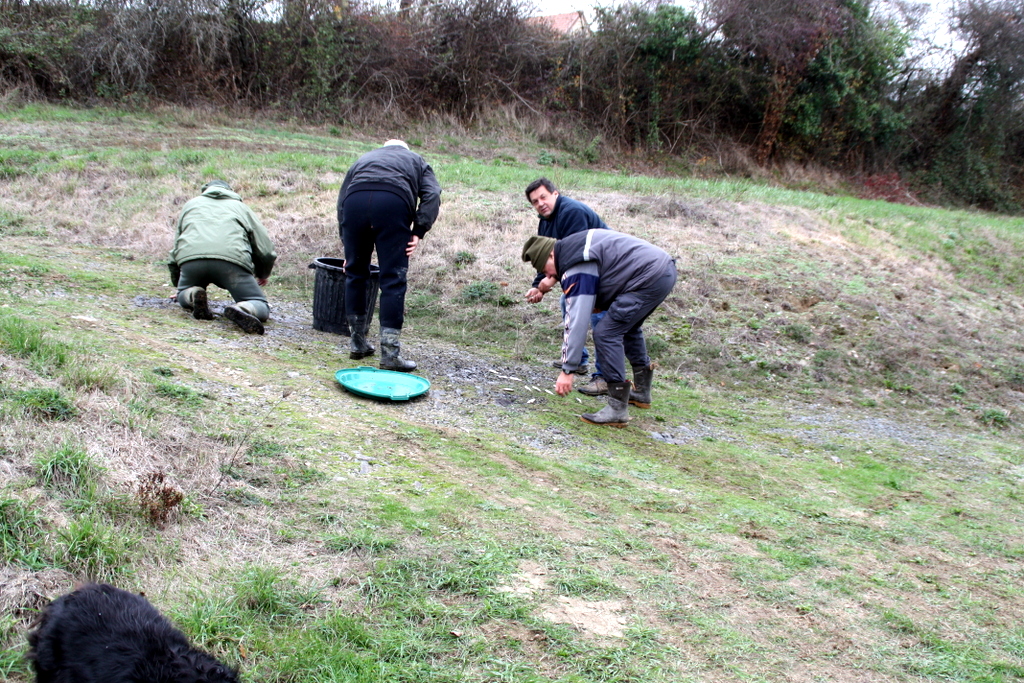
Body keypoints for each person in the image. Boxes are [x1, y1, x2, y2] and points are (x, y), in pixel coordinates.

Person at [522, 230, 676, 427]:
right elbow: (611, 274)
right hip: (661, 271)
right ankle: (641, 393)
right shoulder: (574, 247)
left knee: (606, 332)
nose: (549, 275)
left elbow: (576, 320)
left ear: (551, 255)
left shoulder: (574, 265)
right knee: (627, 326)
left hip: (649, 275)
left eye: (545, 269)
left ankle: (617, 409)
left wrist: (568, 370)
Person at [338, 140, 441, 372]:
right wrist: (419, 230)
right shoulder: (416, 160)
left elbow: (341, 199)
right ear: (403, 149)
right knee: (393, 280)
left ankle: (357, 343)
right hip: (393, 203)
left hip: (354, 203)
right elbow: (432, 193)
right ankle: (390, 354)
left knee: (355, 273)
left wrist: (347, 245)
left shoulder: (363, 159)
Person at [523, 178, 609, 396]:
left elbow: (575, 254)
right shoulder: (545, 221)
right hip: (587, 272)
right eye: (535, 201)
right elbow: (546, 257)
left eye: (543, 197)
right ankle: (578, 360)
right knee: (566, 301)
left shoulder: (572, 212)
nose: (540, 203)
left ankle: (604, 376)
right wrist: (537, 286)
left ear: (555, 194)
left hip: (606, 271)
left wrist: (549, 282)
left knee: (602, 322)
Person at [169, 180, 276, 335]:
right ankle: (242, 308)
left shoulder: (191, 205)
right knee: (259, 304)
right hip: (231, 265)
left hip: (192, 261)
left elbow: (176, 247)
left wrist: (179, 285)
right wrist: (263, 273)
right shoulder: (241, 208)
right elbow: (265, 249)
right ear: (230, 191)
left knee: (183, 293)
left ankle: (192, 294)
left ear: (205, 190)